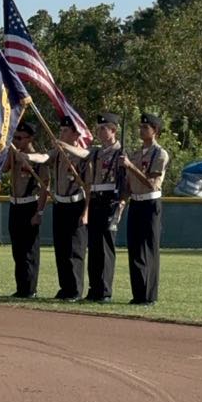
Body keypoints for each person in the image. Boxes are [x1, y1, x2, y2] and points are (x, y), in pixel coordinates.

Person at [32, 116, 92, 302]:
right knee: (61, 248)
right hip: (60, 203)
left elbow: (88, 184)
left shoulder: (83, 154)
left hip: (76, 203)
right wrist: (27, 156)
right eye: (61, 130)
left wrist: (86, 212)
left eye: (66, 131)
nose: (61, 133)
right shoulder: (57, 153)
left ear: (75, 134)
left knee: (75, 249)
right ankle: (64, 288)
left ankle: (75, 290)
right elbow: (44, 157)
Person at [120, 112, 169, 306]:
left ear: (154, 131)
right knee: (135, 249)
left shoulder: (160, 154)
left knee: (149, 248)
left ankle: (150, 294)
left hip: (150, 202)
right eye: (140, 127)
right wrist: (123, 200)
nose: (141, 130)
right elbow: (129, 182)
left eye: (145, 127)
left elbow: (152, 183)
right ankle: (138, 293)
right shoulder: (136, 153)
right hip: (136, 202)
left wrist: (130, 166)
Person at [85, 112, 126, 302]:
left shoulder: (121, 153)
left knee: (105, 247)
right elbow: (83, 154)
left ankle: (105, 290)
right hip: (95, 198)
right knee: (93, 246)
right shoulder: (96, 152)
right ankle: (94, 289)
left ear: (113, 130)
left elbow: (125, 182)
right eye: (98, 128)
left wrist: (121, 204)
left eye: (104, 128)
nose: (100, 132)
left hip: (111, 199)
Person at [3, 120, 43, 297]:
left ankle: (30, 289)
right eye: (15, 138)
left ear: (30, 138)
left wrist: (39, 212)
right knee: (17, 250)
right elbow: (4, 169)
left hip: (29, 205)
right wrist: (11, 153)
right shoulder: (15, 155)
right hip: (15, 204)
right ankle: (21, 287)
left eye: (20, 138)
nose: (17, 141)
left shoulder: (38, 159)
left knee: (29, 250)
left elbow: (45, 187)